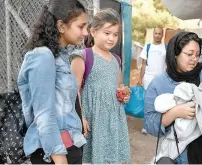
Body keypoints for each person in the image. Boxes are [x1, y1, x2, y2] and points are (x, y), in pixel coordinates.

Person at [144, 32, 202, 164]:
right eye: (189, 54)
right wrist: (174, 113)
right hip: (180, 156)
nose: (194, 59)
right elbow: (149, 124)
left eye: (197, 55)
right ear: (175, 53)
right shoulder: (158, 84)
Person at [17, 0, 88, 164]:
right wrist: (59, 158)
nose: (85, 32)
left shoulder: (60, 56)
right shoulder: (43, 56)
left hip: (69, 144)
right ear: (61, 26)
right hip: (56, 153)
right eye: (80, 26)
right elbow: (43, 114)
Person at [70, 8, 131, 164]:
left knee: (111, 158)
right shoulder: (84, 56)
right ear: (93, 31)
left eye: (115, 34)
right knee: (91, 159)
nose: (111, 38)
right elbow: (72, 91)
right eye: (107, 33)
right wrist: (80, 117)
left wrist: (123, 94)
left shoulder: (116, 60)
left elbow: (119, 87)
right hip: (92, 118)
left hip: (112, 119)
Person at [138, 27, 167, 134]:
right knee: (148, 102)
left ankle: (160, 124)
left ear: (162, 35)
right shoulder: (148, 47)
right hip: (148, 78)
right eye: (156, 33)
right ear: (153, 34)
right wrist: (140, 78)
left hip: (161, 79)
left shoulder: (166, 48)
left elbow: (168, 65)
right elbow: (144, 64)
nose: (157, 35)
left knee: (161, 102)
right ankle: (146, 125)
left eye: (160, 33)